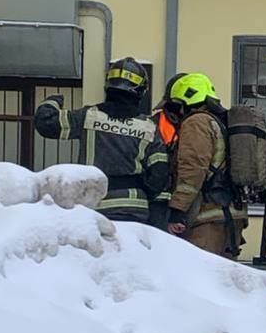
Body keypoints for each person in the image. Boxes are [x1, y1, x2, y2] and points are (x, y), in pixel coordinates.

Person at [33, 57, 171, 229]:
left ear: (109, 86)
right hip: (133, 208)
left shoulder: (88, 117)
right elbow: (159, 174)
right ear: (141, 91)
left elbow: (46, 123)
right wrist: (145, 194)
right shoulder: (150, 128)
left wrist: (52, 101)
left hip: (93, 204)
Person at [163, 72, 248, 258]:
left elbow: (192, 171)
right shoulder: (222, 122)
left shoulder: (196, 123)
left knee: (198, 282)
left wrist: (177, 211)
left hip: (207, 222)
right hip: (230, 217)